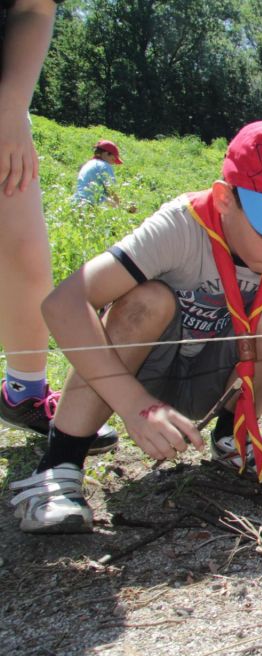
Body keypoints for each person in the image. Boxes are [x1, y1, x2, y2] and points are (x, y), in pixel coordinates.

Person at [9, 119, 262, 533]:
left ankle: (233, 436)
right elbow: (64, 304)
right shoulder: (182, 226)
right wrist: (135, 404)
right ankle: (60, 463)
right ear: (225, 198)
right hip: (142, 377)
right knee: (146, 301)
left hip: (216, 380)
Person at [0, 0, 115, 455]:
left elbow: (34, 6)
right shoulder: (100, 170)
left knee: (26, 253)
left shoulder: (90, 166)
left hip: (5, 111)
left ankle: (23, 392)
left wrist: (11, 108)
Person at [71, 139, 133, 211]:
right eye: (113, 159)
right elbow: (112, 191)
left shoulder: (88, 164)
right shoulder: (104, 165)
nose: (112, 163)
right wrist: (126, 207)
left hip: (76, 204)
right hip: (90, 206)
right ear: (106, 154)